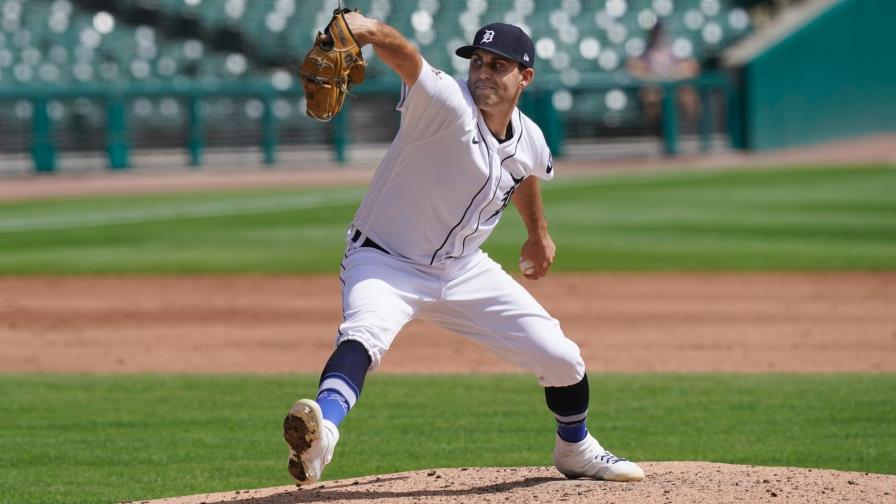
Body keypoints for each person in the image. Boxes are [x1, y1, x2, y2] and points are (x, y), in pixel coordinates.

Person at [283, 13, 645, 485]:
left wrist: (538, 233)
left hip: (463, 271)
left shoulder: (529, 135)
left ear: (525, 77)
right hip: (385, 260)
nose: (483, 73)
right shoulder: (446, 103)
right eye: (477, 61)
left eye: (498, 65)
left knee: (561, 357)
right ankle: (322, 435)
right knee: (363, 336)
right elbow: (409, 60)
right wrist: (369, 31)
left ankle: (575, 448)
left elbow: (527, 171)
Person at [626, 21, 701, 128]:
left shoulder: (675, 54)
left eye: (661, 33)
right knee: (651, 95)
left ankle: (691, 128)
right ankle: (656, 129)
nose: (659, 36)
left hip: (674, 89)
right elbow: (635, 71)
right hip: (656, 91)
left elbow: (692, 68)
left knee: (687, 93)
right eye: (656, 33)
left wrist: (672, 75)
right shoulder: (643, 56)